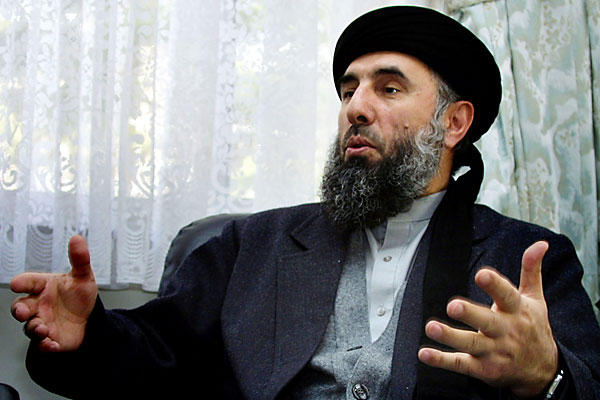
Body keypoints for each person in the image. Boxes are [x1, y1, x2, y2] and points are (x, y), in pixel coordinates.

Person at [10, 6, 600, 400]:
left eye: (388, 88)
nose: (355, 108)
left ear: (454, 123)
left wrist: (546, 376)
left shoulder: (526, 258)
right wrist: (90, 333)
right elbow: (158, 355)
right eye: (348, 90)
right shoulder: (252, 244)